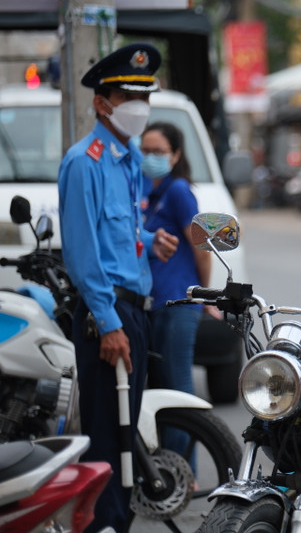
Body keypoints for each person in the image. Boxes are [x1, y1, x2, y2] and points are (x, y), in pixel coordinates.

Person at [58, 42, 178, 532]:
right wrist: (108, 324)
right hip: (107, 316)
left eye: (144, 96)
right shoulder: (84, 163)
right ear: (101, 103)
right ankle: (103, 526)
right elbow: (84, 256)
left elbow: (117, 232)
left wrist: (150, 241)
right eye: (128, 96)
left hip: (135, 311)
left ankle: (117, 522)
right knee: (108, 437)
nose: (139, 106)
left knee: (127, 437)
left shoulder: (127, 158)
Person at [140, 121, 219, 397]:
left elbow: (202, 247)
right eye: (145, 150)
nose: (150, 157)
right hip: (156, 304)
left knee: (178, 388)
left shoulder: (178, 190)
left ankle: (184, 442)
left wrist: (203, 295)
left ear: (175, 155)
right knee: (160, 390)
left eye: (158, 151)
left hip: (179, 302)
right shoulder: (148, 194)